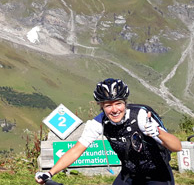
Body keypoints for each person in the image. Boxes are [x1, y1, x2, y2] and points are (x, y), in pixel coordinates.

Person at [35, 78, 182, 185]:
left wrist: (157, 132)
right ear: (101, 106)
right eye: (108, 105)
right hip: (129, 173)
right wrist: (49, 173)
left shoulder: (141, 117)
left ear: (125, 103)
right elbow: (76, 150)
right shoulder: (98, 123)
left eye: (118, 103)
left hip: (158, 174)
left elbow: (177, 147)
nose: (115, 110)